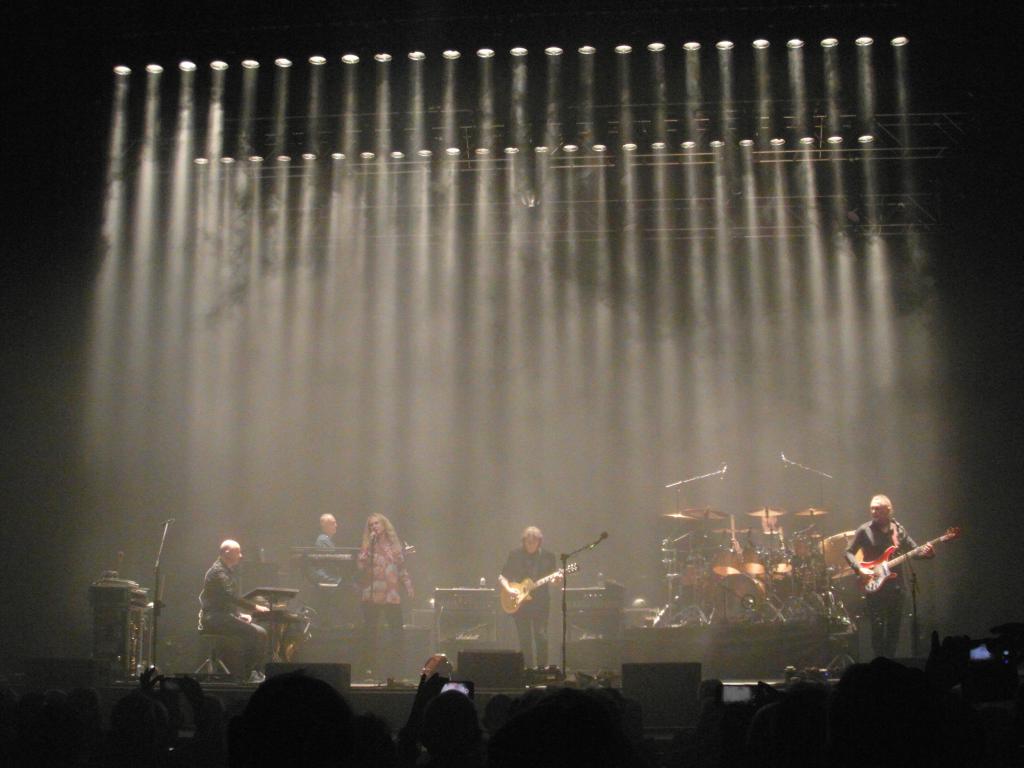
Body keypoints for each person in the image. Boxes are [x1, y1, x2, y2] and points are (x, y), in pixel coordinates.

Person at [845, 494, 934, 658]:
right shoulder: (864, 530)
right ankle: (879, 661)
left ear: (888, 510)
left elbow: (914, 551)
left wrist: (927, 554)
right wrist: (859, 569)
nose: (873, 512)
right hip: (874, 585)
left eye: (877, 509)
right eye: (872, 508)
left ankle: (891, 660)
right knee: (877, 627)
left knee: (894, 627)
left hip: (896, 586)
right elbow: (848, 552)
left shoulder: (898, 530)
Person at [198, 539, 270, 682]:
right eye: (237, 552)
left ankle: (249, 672)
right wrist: (255, 607)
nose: (241, 555)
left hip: (221, 616)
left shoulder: (226, 571)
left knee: (259, 633)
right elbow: (230, 596)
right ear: (226, 552)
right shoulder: (218, 572)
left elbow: (222, 601)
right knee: (257, 633)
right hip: (214, 619)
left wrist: (238, 614)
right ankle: (249, 674)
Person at [357, 514, 413, 679]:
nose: (374, 527)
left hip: (391, 594)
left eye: (377, 523)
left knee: (396, 631)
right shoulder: (367, 545)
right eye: (371, 525)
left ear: (384, 525)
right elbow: (360, 566)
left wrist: (408, 585)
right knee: (370, 632)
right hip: (372, 593)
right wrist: (368, 547)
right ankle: (369, 668)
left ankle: (397, 670)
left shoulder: (394, 546)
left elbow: (402, 568)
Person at [499, 526, 560, 669]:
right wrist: (509, 589)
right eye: (528, 542)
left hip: (541, 603)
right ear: (523, 541)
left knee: (541, 636)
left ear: (539, 542)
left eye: (534, 542)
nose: (531, 544)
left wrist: (557, 580)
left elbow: (553, 581)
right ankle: (527, 669)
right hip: (521, 604)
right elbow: (502, 577)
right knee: (524, 638)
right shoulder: (515, 555)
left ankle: (542, 669)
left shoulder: (548, 556)